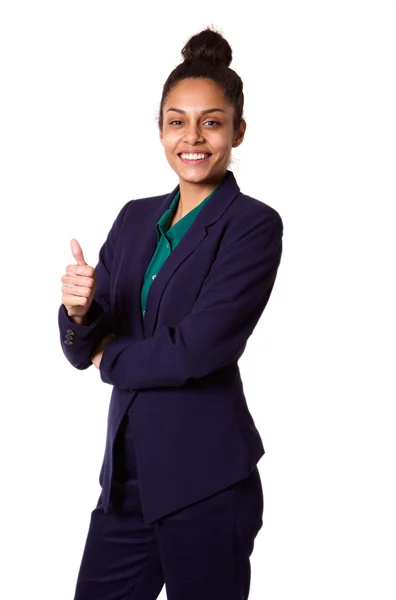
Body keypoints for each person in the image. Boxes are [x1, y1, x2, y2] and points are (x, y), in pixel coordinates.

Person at [59, 26, 283, 600]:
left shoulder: (253, 226)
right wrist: (78, 311)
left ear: (238, 131)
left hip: (206, 481)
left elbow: (199, 348)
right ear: (160, 129)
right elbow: (82, 348)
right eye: (177, 121)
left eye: (211, 121)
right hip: (128, 481)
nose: (194, 137)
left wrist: (112, 356)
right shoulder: (135, 218)